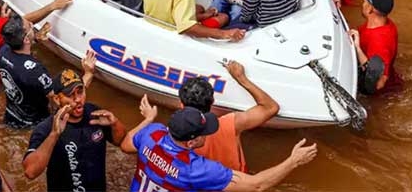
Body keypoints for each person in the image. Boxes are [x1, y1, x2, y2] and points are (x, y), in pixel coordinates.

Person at [122, 102, 317, 192]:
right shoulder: (195, 169)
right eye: (204, 132)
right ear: (190, 142)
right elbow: (257, 185)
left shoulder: (152, 133)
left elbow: (125, 145)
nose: (209, 133)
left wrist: (147, 119)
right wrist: (293, 161)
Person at [23, 68, 125, 191]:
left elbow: (120, 141)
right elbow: (30, 172)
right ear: (57, 99)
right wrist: (54, 135)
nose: (78, 99)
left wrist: (114, 123)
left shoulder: (94, 113)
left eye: (80, 92)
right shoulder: (46, 129)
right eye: (70, 95)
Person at [178, 61, 280, 172]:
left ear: (181, 104)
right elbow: (271, 108)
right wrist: (241, 78)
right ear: (212, 102)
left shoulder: (174, 135)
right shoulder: (232, 123)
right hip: (236, 180)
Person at [0, 14, 68, 128]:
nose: (32, 24)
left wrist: (35, 38)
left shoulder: (4, 51)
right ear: (25, 39)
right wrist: (88, 73)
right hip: (33, 123)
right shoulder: (35, 71)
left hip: (11, 114)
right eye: (30, 25)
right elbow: (56, 98)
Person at [349, 0, 403, 95]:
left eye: (364, 2)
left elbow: (379, 83)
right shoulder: (385, 23)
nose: (362, 5)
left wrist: (358, 49)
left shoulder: (379, 42)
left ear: (370, 9)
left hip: (381, 95)